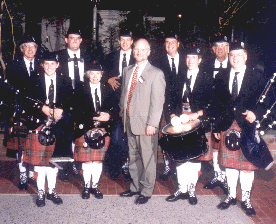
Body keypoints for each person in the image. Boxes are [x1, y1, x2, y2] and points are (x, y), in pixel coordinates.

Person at [213, 41, 265, 216]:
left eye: (239, 55)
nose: (235, 58)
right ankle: (230, 196)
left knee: (246, 166)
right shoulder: (221, 75)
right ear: (228, 57)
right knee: (229, 166)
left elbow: (266, 99)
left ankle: (247, 199)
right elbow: (217, 104)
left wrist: (256, 113)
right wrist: (216, 126)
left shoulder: (256, 75)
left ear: (246, 56)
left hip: (246, 126)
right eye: (232, 55)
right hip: (227, 125)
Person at [23, 51, 73, 207]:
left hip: (58, 126)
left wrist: (62, 110)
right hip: (39, 124)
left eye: (53, 64)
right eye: (46, 64)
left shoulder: (65, 80)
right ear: (42, 65)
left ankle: (51, 190)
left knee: (53, 162)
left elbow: (71, 101)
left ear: (58, 65)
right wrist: (41, 108)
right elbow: (27, 101)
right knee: (39, 163)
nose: (49, 66)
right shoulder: (33, 80)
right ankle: (40, 192)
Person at [119, 38, 165, 204]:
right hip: (129, 121)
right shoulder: (127, 70)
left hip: (146, 125)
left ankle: (146, 191)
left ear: (149, 52)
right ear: (133, 51)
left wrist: (153, 123)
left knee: (148, 158)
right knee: (133, 156)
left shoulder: (156, 73)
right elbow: (124, 95)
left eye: (143, 49)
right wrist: (122, 114)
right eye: (136, 49)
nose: (139, 52)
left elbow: (158, 102)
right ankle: (135, 187)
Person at [165, 46, 213, 205]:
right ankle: (181, 188)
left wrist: (197, 114)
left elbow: (211, 103)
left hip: (197, 123)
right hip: (179, 121)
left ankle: (191, 189)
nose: (190, 61)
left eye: (194, 58)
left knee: (193, 158)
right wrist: (172, 115)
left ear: (200, 60)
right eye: (188, 58)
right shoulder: (177, 77)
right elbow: (170, 99)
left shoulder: (207, 79)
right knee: (180, 156)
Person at [56, 26, 95, 181]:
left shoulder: (89, 56)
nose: (74, 41)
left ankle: (78, 164)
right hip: (64, 100)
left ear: (81, 40)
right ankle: (65, 166)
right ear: (66, 40)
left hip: (83, 100)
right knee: (65, 131)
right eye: (71, 38)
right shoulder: (58, 56)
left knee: (80, 131)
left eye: (77, 38)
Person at [73, 61, 114, 199]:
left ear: (102, 75)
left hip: (103, 130)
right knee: (87, 161)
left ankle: (94, 186)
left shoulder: (108, 89)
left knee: (97, 161)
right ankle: (86, 186)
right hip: (85, 129)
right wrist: (92, 117)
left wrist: (109, 116)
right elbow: (76, 111)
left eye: (98, 73)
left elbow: (115, 109)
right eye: (92, 73)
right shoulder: (80, 89)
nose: (95, 76)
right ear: (87, 75)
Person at [5, 34, 41, 190]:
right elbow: (9, 92)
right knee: (21, 145)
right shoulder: (13, 66)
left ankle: (32, 171)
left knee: (35, 144)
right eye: (27, 46)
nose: (30, 49)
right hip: (21, 111)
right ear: (21, 49)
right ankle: (22, 173)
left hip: (38, 112)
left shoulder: (42, 65)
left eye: (33, 46)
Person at [153, 31, 187, 181]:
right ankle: (168, 166)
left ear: (178, 44)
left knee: (181, 136)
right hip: (164, 105)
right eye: (167, 42)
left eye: (172, 42)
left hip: (183, 106)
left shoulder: (187, 59)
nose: (170, 45)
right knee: (166, 135)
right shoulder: (158, 61)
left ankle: (180, 165)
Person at [103, 29, 135, 180]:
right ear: (118, 41)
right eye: (122, 40)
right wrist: (108, 79)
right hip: (114, 105)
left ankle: (127, 165)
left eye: (127, 40)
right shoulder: (110, 57)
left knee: (130, 136)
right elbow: (99, 76)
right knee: (116, 136)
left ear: (132, 41)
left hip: (132, 104)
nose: (124, 43)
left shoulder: (137, 58)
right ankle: (115, 166)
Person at [203, 36, 230, 193]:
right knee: (213, 144)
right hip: (211, 111)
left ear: (228, 48)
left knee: (225, 145)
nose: (220, 49)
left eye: (224, 46)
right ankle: (218, 175)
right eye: (217, 46)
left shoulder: (234, 65)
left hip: (226, 113)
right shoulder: (206, 66)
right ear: (213, 49)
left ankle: (226, 177)